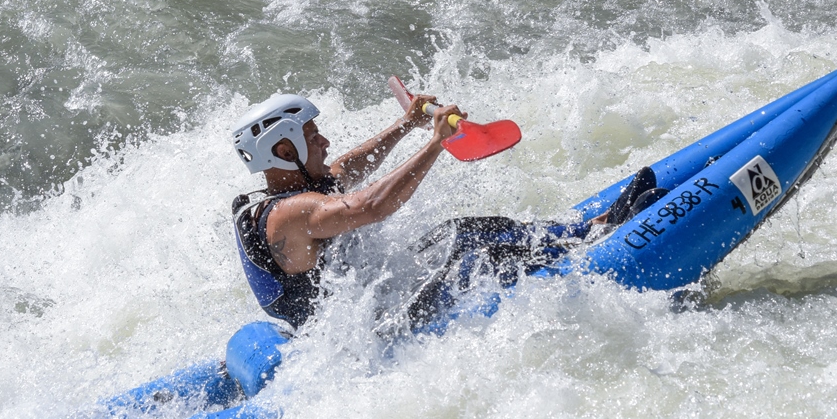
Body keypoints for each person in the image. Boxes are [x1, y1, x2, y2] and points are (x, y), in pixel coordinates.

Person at [230, 91, 667, 333]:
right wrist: (436, 142)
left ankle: (591, 227)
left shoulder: (300, 184)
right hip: (366, 333)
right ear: (284, 149)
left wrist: (406, 124)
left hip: (372, 303)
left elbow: (351, 166)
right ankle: (598, 241)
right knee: (477, 260)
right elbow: (370, 205)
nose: (324, 141)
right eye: (313, 135)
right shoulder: (288, 214)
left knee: (465, 229)